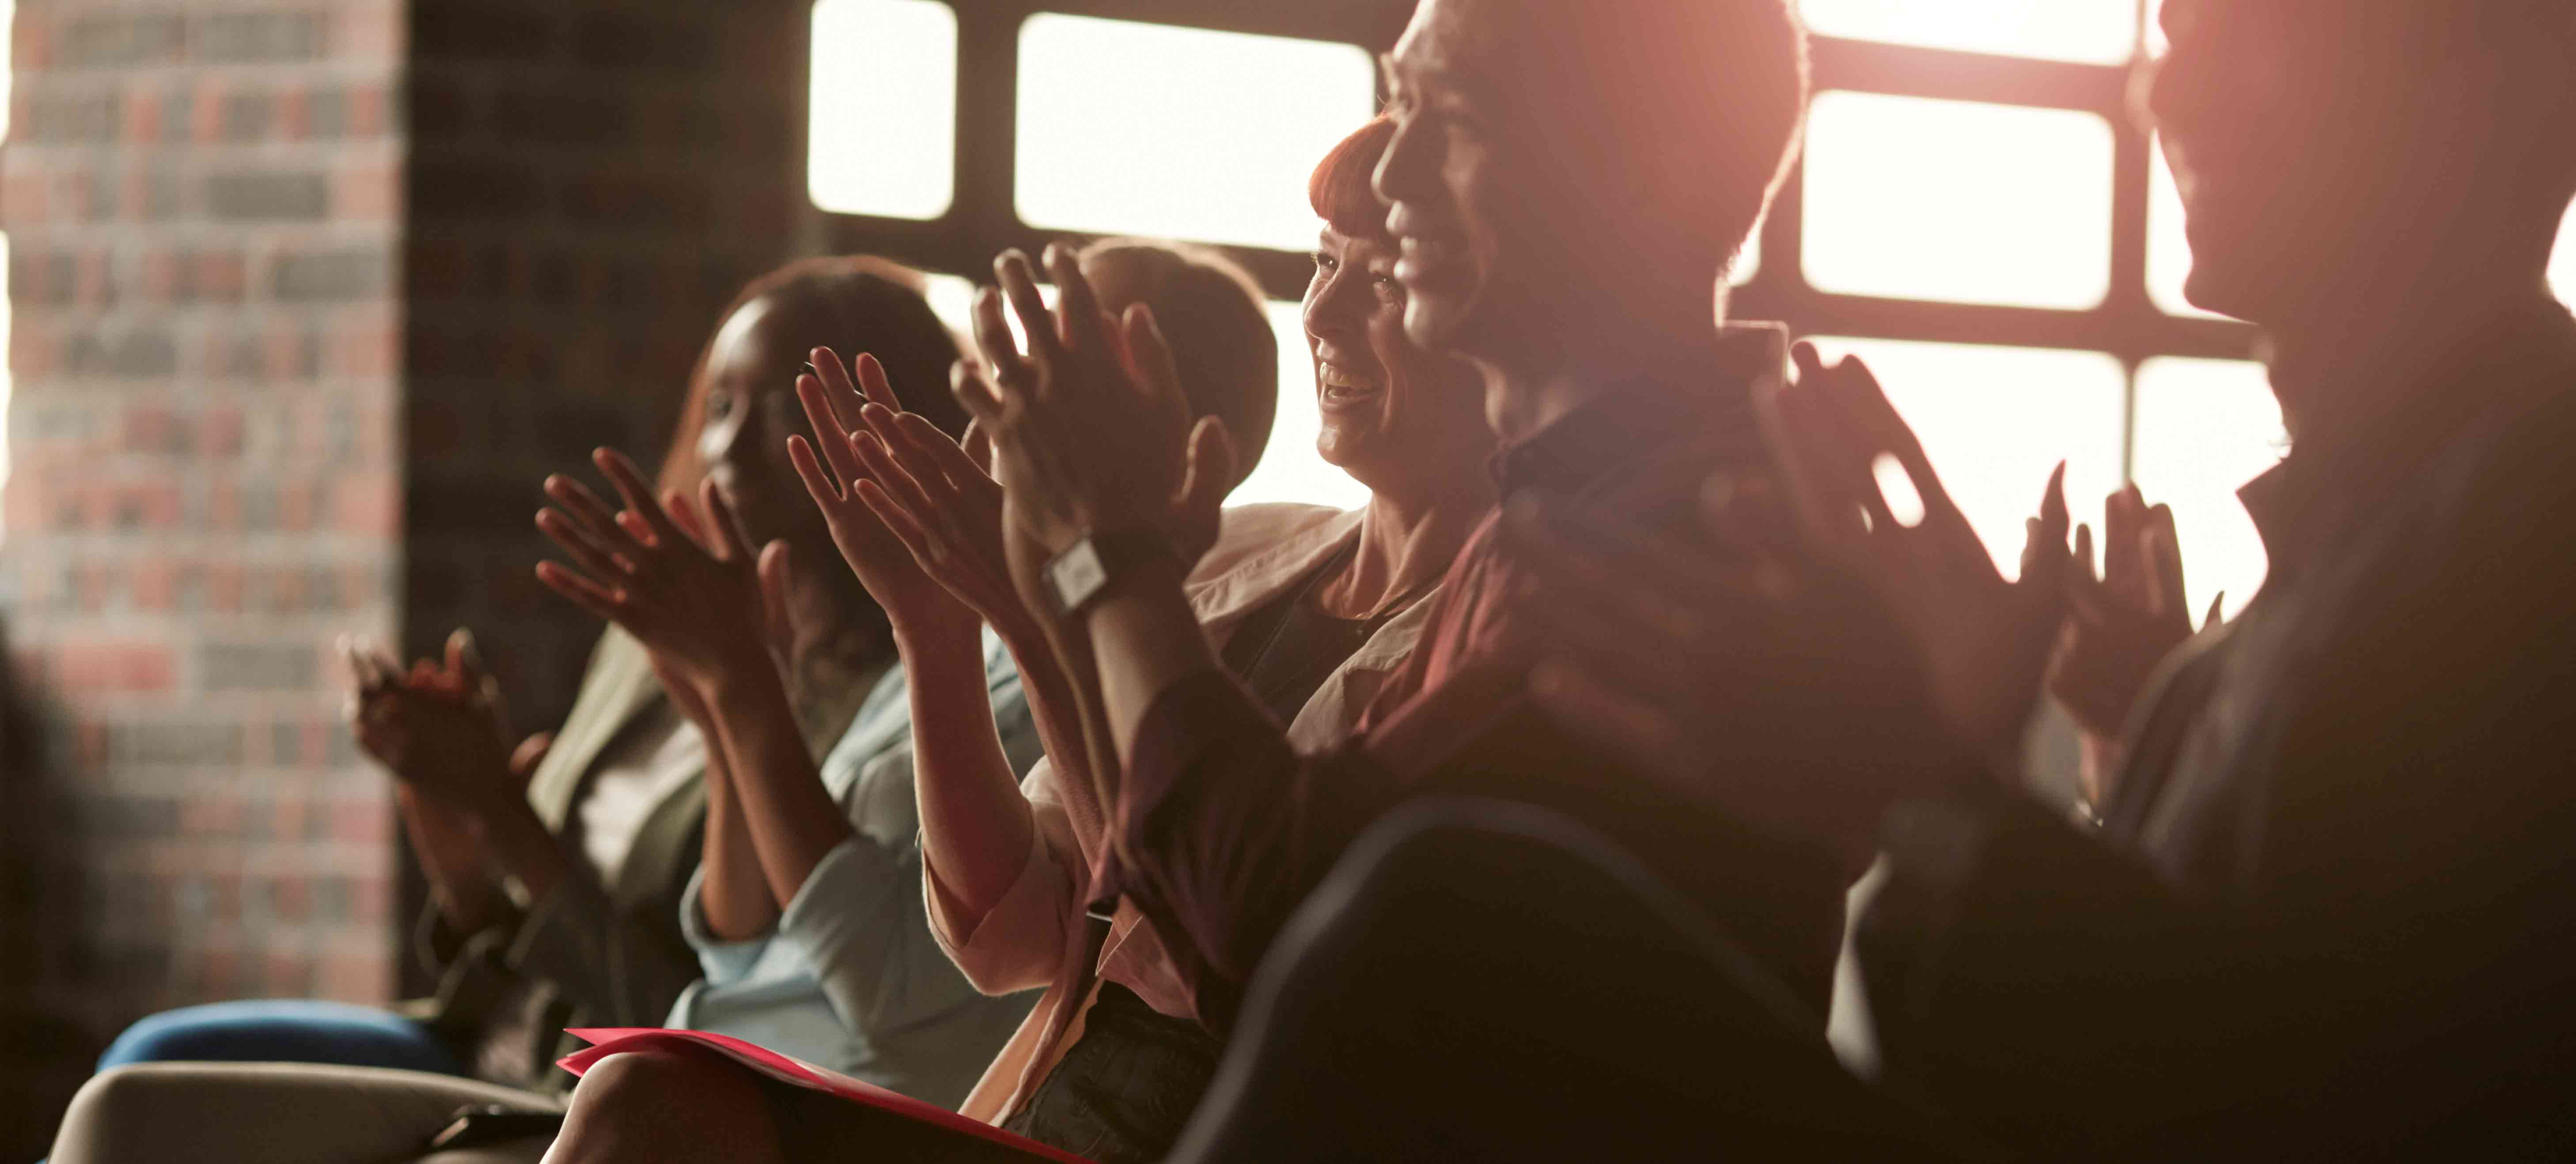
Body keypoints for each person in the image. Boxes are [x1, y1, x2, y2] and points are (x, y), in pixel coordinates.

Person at [1180, 0, 2576, 1159]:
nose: (2171, 89)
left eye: (2251, 26)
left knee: (1426, 914)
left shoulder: (2523, 548)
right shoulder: (2356, 566)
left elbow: (2289, 1100)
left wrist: (1922, 787)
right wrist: (2010, 752)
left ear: (2474, 75)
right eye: (2167, 28)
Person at [537, 141, 1497, 1164]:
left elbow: (1217, 950)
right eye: (1322, 264)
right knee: (640, 1095)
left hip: (1195, 1135)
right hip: (1051, 1108)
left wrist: (1027, 610)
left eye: (1381, 278)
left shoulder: (1482, 634)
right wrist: (935, 625)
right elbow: (1010, 933)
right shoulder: (1252, 551)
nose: (1322, 314)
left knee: (644, 1101)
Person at [953, 0, 1840, 1050]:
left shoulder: (1682, 531)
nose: (1400, 170)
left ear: (1663, 172)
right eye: (1403, 101)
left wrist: (1112, 557)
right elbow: (1196, 924)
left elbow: (1282, 931)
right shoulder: (1569, 508)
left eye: (1455, 116)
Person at [45, 257, 1008, 1163]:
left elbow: (706, 998)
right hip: (497, 1030)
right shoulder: (647, 646)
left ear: (884, 437)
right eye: (720, 406)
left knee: (139, 1100)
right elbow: (509, 920)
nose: (726, 450)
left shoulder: (880, 704)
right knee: (147, 1063)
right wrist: (455, 824)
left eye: (782, 418)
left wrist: (509, 812)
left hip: (584, 1066)